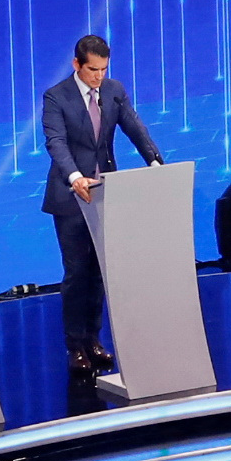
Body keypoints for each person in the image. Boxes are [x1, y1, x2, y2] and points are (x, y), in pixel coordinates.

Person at [39, 32, 165, 373]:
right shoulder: (56, 97)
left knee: (98, 273)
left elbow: (135, 128)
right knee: (77, 272)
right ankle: (75, 345)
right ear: (77, 64)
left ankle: (94, 340)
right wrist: (75, 176)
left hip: (105, 195)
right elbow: (56, 143)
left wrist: (155, 162)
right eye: (93, 70)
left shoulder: (113, 91)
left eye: (104, 69)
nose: (99, 76)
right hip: (71, 197)